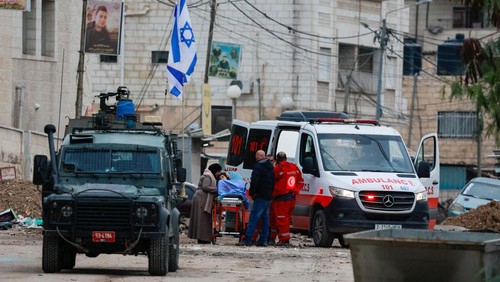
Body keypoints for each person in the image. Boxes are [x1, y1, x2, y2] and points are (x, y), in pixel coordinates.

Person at [236, 150, 274, 246]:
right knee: (265, 219)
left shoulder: (258, 167)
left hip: (260, 196)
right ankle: (264, 240)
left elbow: (255, 182)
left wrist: (252, 193)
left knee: (253, 218)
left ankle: (247, 239)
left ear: (258, 157)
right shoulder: (270, 167)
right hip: (268, 196)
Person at [269, 151, 304, 247]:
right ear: (286, 158)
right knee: (285, 219)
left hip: (280, 199)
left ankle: (283, 240)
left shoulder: (277, 169)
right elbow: (300, 181)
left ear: (276, 160)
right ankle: (274, 238)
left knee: (280, 219)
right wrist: (295, 190)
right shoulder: (294, 167)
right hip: (291, 198)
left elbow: (271, 181)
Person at [188, 163, 222, 244]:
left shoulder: (209, 175)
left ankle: (203, 238)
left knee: (203, 219)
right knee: (202, 219)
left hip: (202, 198)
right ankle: (202, 239)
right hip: (201, 198)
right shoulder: (208, 176)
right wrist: (218, 189)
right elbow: (205, 187)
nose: (218, 173)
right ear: (215, 170)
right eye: (218, 171)